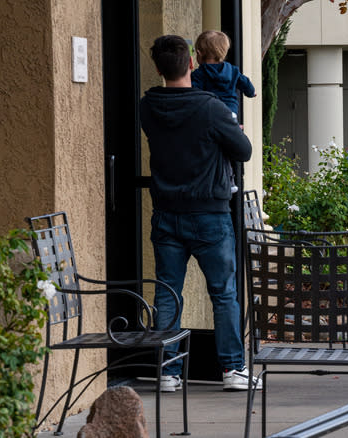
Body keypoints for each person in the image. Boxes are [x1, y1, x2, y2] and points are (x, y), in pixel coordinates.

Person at [140, 34, 257, 392]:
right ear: (192, 63)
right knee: (223, 294)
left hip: (166, 213)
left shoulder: (148, 107)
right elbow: (244, 151)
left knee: (167, 293)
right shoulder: (210, 108)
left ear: (158, 68)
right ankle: (233, 370)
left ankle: (168, 372)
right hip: (210, 214)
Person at [191, 30, 256, 194]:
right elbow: (247, 86)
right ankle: (231, 179)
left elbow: (194, 93)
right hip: (230, 115)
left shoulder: (199, 73)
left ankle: (215, 178)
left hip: (211, 115)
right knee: (229, 148)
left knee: (214, 147)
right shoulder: (233, 71)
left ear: (199, 53)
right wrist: (251, 93)